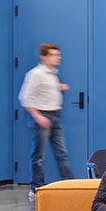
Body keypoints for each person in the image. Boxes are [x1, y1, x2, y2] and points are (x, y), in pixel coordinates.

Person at [20, 43, 72, 200]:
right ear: (44, 57)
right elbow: (25, 98)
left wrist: (59, 87)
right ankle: (36, 188)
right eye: (54, 55)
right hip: (41, 117)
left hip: (55, 116)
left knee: (62, 153)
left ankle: (70, 185)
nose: (58, 57)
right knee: (39, 155)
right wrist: (38, 116)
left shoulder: (53, 74)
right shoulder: (35, 74)